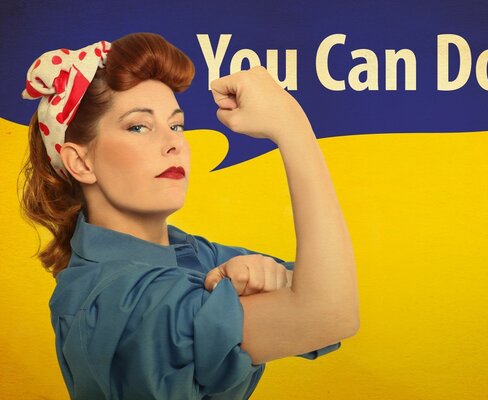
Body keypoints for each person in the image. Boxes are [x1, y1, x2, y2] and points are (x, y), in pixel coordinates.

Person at [19, 32, 359, 399]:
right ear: (81, 162)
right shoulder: (124, 302)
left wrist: (265, 278)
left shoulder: (189, 253)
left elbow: (330, 287)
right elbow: (329, 311)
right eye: (139, 126)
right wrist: (292, 127)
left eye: (176, 125)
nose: (174, 142)